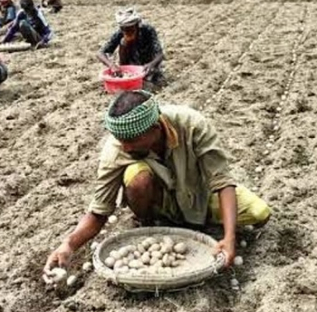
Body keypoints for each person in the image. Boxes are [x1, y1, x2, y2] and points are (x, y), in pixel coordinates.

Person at [43, 90, 272, 276]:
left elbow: (222, 182)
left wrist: (229, 238)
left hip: (199, 194)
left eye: (131, 141)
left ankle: (196, 219)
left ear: (155, 129)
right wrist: (69, 245)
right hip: (160, 200)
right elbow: (99, 211)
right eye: (121, 141)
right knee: (137, 177)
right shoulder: (117, 149)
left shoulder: (192, 126)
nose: (126, 148)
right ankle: (150, 221)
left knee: (258, 212)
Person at [97, 8, 165, 85]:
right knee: (123, 42)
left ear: (137, 26)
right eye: (124, 29)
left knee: (153, 81)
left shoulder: (147, 30)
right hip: (130, 64)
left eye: (131, 29)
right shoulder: (120, 33)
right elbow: (100, 53)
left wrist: (151, 64)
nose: (127, 32)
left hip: (147, 63)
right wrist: (111, 65)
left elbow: (160, 54)